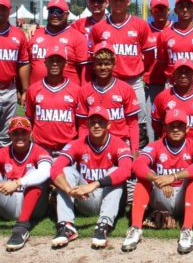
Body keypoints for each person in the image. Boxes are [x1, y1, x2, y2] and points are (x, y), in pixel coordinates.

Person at [122, 109, 193, 254]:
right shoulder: (155, 145)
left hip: (183, 197)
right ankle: (135, 228)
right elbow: (137, 164)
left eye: (180, 126)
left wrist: (173, 177)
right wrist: (157, 179)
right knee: (143, 180)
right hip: (161, 194)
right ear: (165, 128)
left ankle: (187, 229)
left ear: (187, 128)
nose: (175, 129)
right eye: (171, 126)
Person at [50, 106, 133, 249]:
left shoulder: (119, 144)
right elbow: (55, 169)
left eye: (101, 122)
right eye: (93, 122)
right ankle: (66, 225)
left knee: (115, 171)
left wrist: (94, 184)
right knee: (67, 171)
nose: (96, 125)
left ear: (108, 125)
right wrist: (69, 190)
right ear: (87, 125)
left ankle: (103, 225)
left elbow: (126, 170)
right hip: (84, 198)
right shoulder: (77, 143)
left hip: (109, 198)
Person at [91, 0, 155, 149]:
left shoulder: (140, 25)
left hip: (134, 81)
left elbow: (149, 55)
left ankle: (137, 156)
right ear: (109, 2)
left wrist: (140, 70)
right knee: (109, 119)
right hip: (108, 82)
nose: (118, 3)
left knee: (139, 120)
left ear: (128, 2)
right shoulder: (99, 28)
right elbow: (94, 57)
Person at [76, 42, 140, 154]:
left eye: (107, 64)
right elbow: (83, 126)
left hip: (121, 143)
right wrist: (83, 150)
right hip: (94, 146)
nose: (103, 67)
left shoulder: (126, 89)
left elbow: (133, 124)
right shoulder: (84, 91)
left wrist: (134, 151)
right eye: (99, 64)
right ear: (94, 66)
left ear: (114, 65)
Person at [0, 116, 52, 251]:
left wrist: (17, 183)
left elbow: (45, 171)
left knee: (36, 175)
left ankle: (21, 228)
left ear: (31, 133)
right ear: (9, 135)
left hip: (34, 207)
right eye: (15, 133)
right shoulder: (3, 152)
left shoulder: (40, 151)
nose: (20, 137)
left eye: (24, 132)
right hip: (10, 204)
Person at [151, 58, 193, 152]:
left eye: (187, 72)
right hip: (169, 151)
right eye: (179, 72)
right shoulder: (162, 97)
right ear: (173, 75)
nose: (183, 75)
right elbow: (156, 123)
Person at [25, 45, 80, 155]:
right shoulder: (33, 89)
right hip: (41, 148)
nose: (55, 64)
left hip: (67, 148)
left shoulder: (76, 90)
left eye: (59, 61)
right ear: (45, 63)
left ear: (65, 63)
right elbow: (30, 118)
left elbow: (80, 123)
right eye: (51, 60)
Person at [28, 0, 89, 86]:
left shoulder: (77, 37)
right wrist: (24, 89)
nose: (54, 15)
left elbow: (84, 69)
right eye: (51, 11)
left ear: (67, 14)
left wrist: (84, 91)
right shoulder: (34, 34)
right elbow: (25, 65)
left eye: (59, 11)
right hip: (37, 91)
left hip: (68, 92)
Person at [0, 0, 30, 145]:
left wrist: (24, 90)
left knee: (7, 136)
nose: (0, 12)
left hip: (9, 89)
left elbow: (23, 63)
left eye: (3, 8)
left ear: (9, 10)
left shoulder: (18, 34)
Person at [144, 0, 172, 143]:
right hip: (153, 83)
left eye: (163, 9)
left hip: (172, 83)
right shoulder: (145, 30)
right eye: (156, 9)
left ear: (169, 10)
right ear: (151, 11)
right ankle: (152, 150)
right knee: (151, 121)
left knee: (171, 120)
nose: (160, 12)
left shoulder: (175, 28)